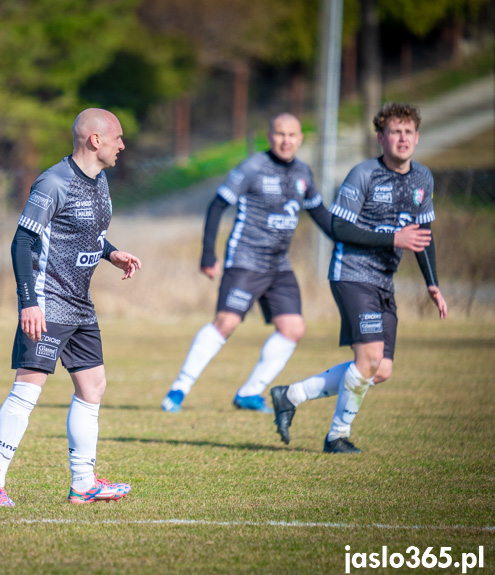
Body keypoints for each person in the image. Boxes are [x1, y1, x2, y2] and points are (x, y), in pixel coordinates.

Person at [0, 108, 141, 507]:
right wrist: (28, 303)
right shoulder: (53, 182)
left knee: (93, 385)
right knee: (27, 390)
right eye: (117, 138)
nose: (123, 145)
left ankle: (84, 484)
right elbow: (23, 243)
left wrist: (112, 253)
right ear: (95, 140)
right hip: (47, 301)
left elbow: (82, 230)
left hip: (80, 304)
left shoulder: (100, 180)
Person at [270, 102, 448, 453]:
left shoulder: (423, 179)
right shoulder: (364, 174)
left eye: (408, 132)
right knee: (368, 359)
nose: (402, 138)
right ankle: (337, 436)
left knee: (380, 370)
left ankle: (291, 395)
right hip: (351, 274)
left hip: (384, 280)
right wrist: (394, 238)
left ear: (417, 137)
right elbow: (338, 227)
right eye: (394, 132)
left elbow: (423, 234)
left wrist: (432, 283)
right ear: (381, 137)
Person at [161, 114, 332, 414]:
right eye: (280, 134)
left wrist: (354, 239)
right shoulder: (253, 167)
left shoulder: (304, 172)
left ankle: (250, 393)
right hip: (245, 260)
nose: (286, 140)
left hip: (279, 265)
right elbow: (217, 205)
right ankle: (178, 390)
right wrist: (207, 255)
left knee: (293, 328)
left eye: (292, 135)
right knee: (226, 323)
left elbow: (321, 215)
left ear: (300, 139)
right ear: (269, 136)